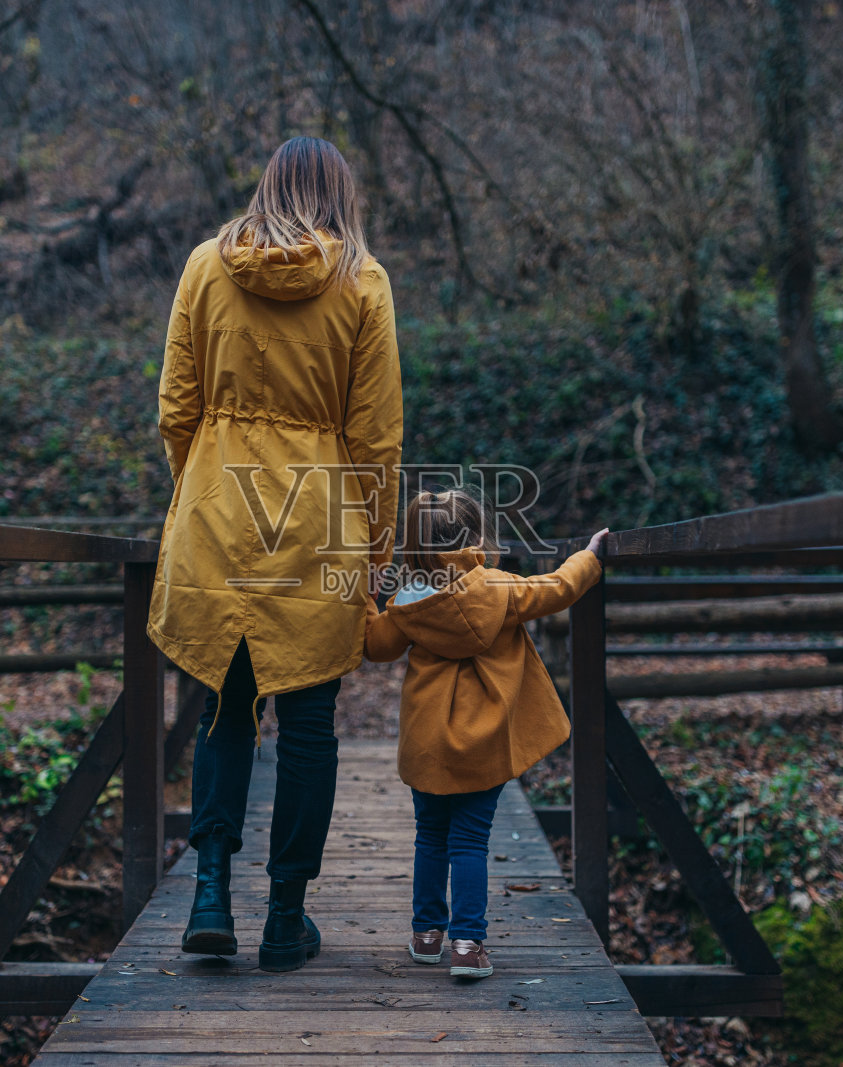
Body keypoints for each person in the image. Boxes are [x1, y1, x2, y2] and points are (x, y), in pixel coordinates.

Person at [150, 137, 402, 972]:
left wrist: (198, 489)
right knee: (308, 725)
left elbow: (176, 408)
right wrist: (377, 551)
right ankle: (285, 918)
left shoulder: (204, 265)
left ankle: (210, 895)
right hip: (317, 521)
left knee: (225, 710)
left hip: (218, 512)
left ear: (267, 185)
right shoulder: (362, 281)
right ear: (341, 193)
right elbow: (376, 436)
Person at [365, 489, 608, 978]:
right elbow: (559, 588)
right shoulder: (500, 589)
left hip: (428, 742)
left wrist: (369, 602)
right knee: (470, 841)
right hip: (484, 742)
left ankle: (426, 936)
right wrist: (589, 555)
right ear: (476, 539)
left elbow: (376, 646)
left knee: (430, 837)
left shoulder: (407, 602)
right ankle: (467, 946)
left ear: (416, 544)